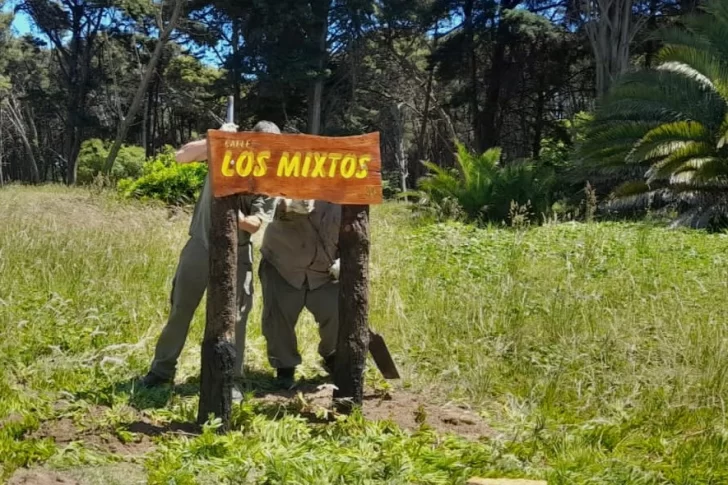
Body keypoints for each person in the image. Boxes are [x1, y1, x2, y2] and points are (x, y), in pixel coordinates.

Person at [140, 120, 280, 388]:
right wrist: (218, 140)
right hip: (200, 245)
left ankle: (232, 380)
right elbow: (182, 156)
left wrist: (232, 215)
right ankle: (161, 371)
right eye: (260, 144)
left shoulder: (269, 180)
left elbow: (255, 224)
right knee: (181, 309)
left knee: (237, 318)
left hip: (238, 252)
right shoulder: (224, 152)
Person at [259, 198, 341, 388]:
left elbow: (357, 227)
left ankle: (333, 357)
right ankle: (284, 369)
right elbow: (261, 204)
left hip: (325, 271)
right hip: (283, 264)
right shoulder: (287, 172)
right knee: (277, 321)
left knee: (337, 314)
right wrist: (286, 204)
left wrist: (346, 258)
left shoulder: (345, 186)